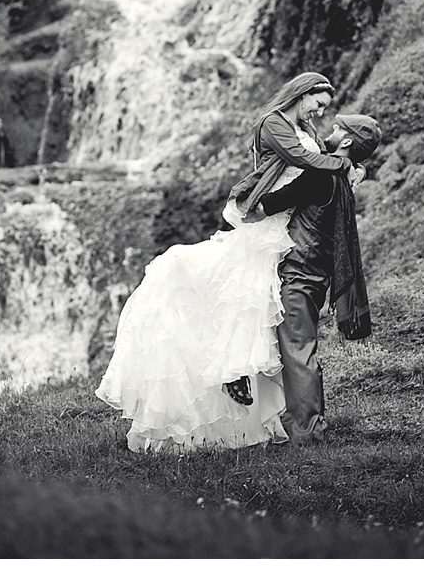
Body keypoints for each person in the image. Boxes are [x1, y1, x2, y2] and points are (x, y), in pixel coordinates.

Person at [95, 72, 379, 452]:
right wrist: (349, 166)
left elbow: (274, 200)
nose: (322, 117)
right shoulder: (329, 168)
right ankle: (243, 377)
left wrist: (256, 204)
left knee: (291, 346)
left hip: (297, 266)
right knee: (260, 319)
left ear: (344, 141)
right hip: (300, 264)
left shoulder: (321, 174)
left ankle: (304, 429)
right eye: (320, 105)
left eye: (332, 118)